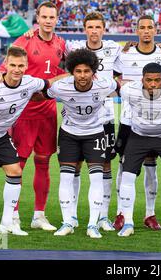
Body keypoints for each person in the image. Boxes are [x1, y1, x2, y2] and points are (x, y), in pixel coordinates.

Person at [0, 46, 64, 240]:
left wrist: (70, 76)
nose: (17, 69)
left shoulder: (30, 83)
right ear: (6, 65)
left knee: (15, 171)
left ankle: (7, 223)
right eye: (13, 65)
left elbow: (48, 82)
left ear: (26, 66)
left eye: (21, 65)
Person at [0, 1, 66, 232]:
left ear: (56, 19)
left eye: (52, 17)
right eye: (44, 17)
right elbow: (5, 68)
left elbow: (63, 69)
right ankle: (13, 215)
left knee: (43, 162)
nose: (48, 21)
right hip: (23, 111)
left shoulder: (61, 44)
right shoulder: (24, 40)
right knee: (18, 164)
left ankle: (39, 215)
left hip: (48, 111)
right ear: (37, 18)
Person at [113, 15, 161, 231]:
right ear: (136, 30)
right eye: (142, 28)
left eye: (150, 27)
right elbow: (113, 79)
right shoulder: (125, 54)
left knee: (152, 169)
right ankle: (121, 213)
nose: (146, 31)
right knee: (125, 168)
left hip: (158, 123)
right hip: (128, 121)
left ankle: (150, 213)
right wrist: (121, 84)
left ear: (155, 29)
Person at [43, 49, 118, 238]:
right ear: (71, 72)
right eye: (78, 71)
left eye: (86, 71)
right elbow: (43, 92)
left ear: (94, 71)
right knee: (66, 178)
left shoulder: (104, 85)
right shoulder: (61, 87)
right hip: (69, 135)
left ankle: (93, 224)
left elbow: (121, 85)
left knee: (96, 178)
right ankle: (68, 221)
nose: (82, 75)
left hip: (95, 134)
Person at [65, 12, 122, 232]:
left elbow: (127, 63)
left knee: (105, 164)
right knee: (75, 165)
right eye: (90, 27)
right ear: (85, 29)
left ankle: (102, 216)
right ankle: (73, 215)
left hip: (105, 116)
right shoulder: (76, 49)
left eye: (98, 27)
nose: (94, 31)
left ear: (103, 29)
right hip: (78, 118)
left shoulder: (114, 49)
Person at [117, 63, 161, 239]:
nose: (153, 84)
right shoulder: (128, 91)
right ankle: (129, 222)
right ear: (142, 80)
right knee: (127, 176)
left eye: (157, 80)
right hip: (138, 136)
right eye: (149, 80)